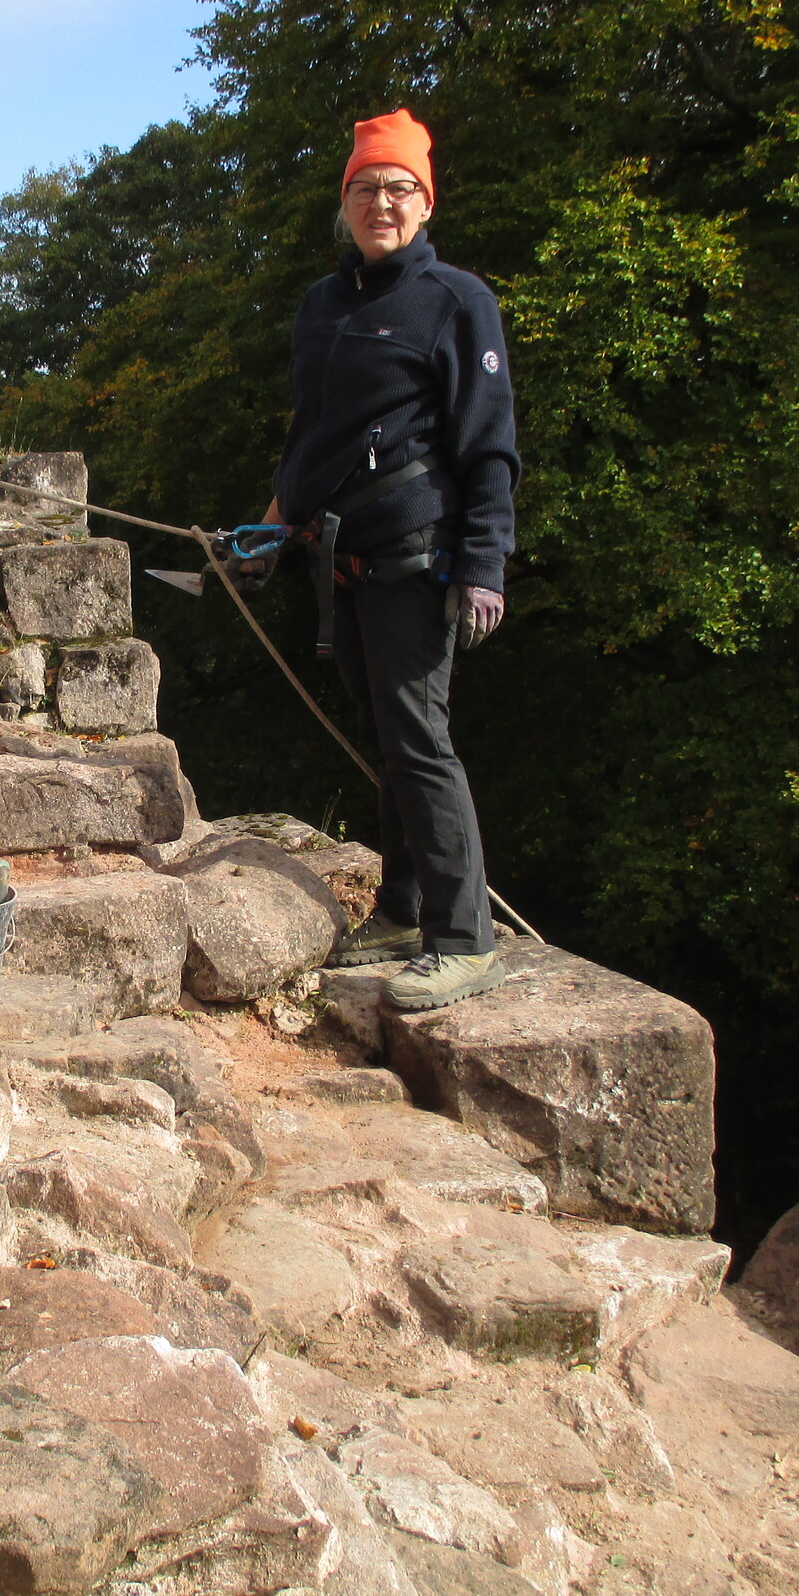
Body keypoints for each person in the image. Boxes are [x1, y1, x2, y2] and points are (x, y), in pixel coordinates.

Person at [262, 107, 519, 1010]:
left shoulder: (456, 300)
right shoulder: (323, 305)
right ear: (344, 201)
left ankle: (465, 940)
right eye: (366, 187)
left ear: (425, 201)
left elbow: (489, 445)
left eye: (399, 187)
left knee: (419, 739)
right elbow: (314, 432)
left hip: (420, 557)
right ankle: (405, 909)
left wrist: (483, 564)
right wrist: (272, 522)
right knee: (388, 738)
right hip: (346, 560)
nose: (382, 202)